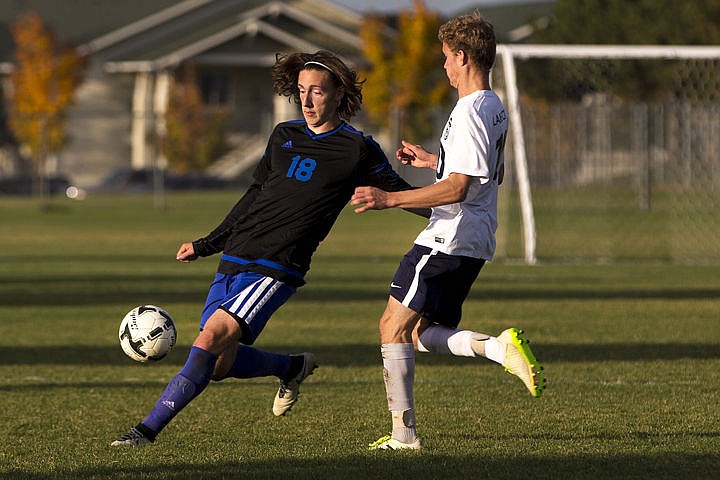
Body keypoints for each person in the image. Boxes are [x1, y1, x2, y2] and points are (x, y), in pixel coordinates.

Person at [111, 50, 426, 446]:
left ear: (338, 94)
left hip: (278, 267)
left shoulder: (357, 148)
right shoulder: (283, 135)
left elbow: (402, 193)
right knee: (220, 365)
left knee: (207, 342)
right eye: (301, 92)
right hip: (235, 257)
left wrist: (451, 210)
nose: (307, 102)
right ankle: (291, 367)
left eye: (316, 92)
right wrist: (207, 244)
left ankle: (144, 432)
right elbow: (253, 197)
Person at [351, 12, 546, 451]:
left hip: (448, 236)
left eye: (445, 58)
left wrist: (388, 199)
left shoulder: (472, 109)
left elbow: (458, 188)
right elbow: (478, 176)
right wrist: (430, 161)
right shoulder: (494, 105)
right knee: (419, 332)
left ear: (462, 56)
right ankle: (499, 349)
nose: (443, 66)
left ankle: (404, 437)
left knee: (391, 327)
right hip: (474, 239)